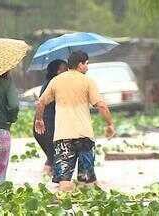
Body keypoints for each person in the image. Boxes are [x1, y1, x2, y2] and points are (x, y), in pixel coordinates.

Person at [34, 51, 116, 191]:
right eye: (87, 64)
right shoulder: (87, 81)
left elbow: (41, 102)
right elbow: (101, 105)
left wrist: (39, 120)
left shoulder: (56, 81)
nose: (88, 68)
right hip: (84, 136)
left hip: (63, 138)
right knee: (87, 182)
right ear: (80, 64)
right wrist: (109, 124)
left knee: (64, 182)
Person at [33, 59, 68, 175]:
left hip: (40, 125)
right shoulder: (54, 83)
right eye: (64, 68)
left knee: (51, 157)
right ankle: (49, 179)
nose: (67, 70)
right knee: (52, 158)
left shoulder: (48, 82)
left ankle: (47, 180)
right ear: (57, 71)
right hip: (47, 125)